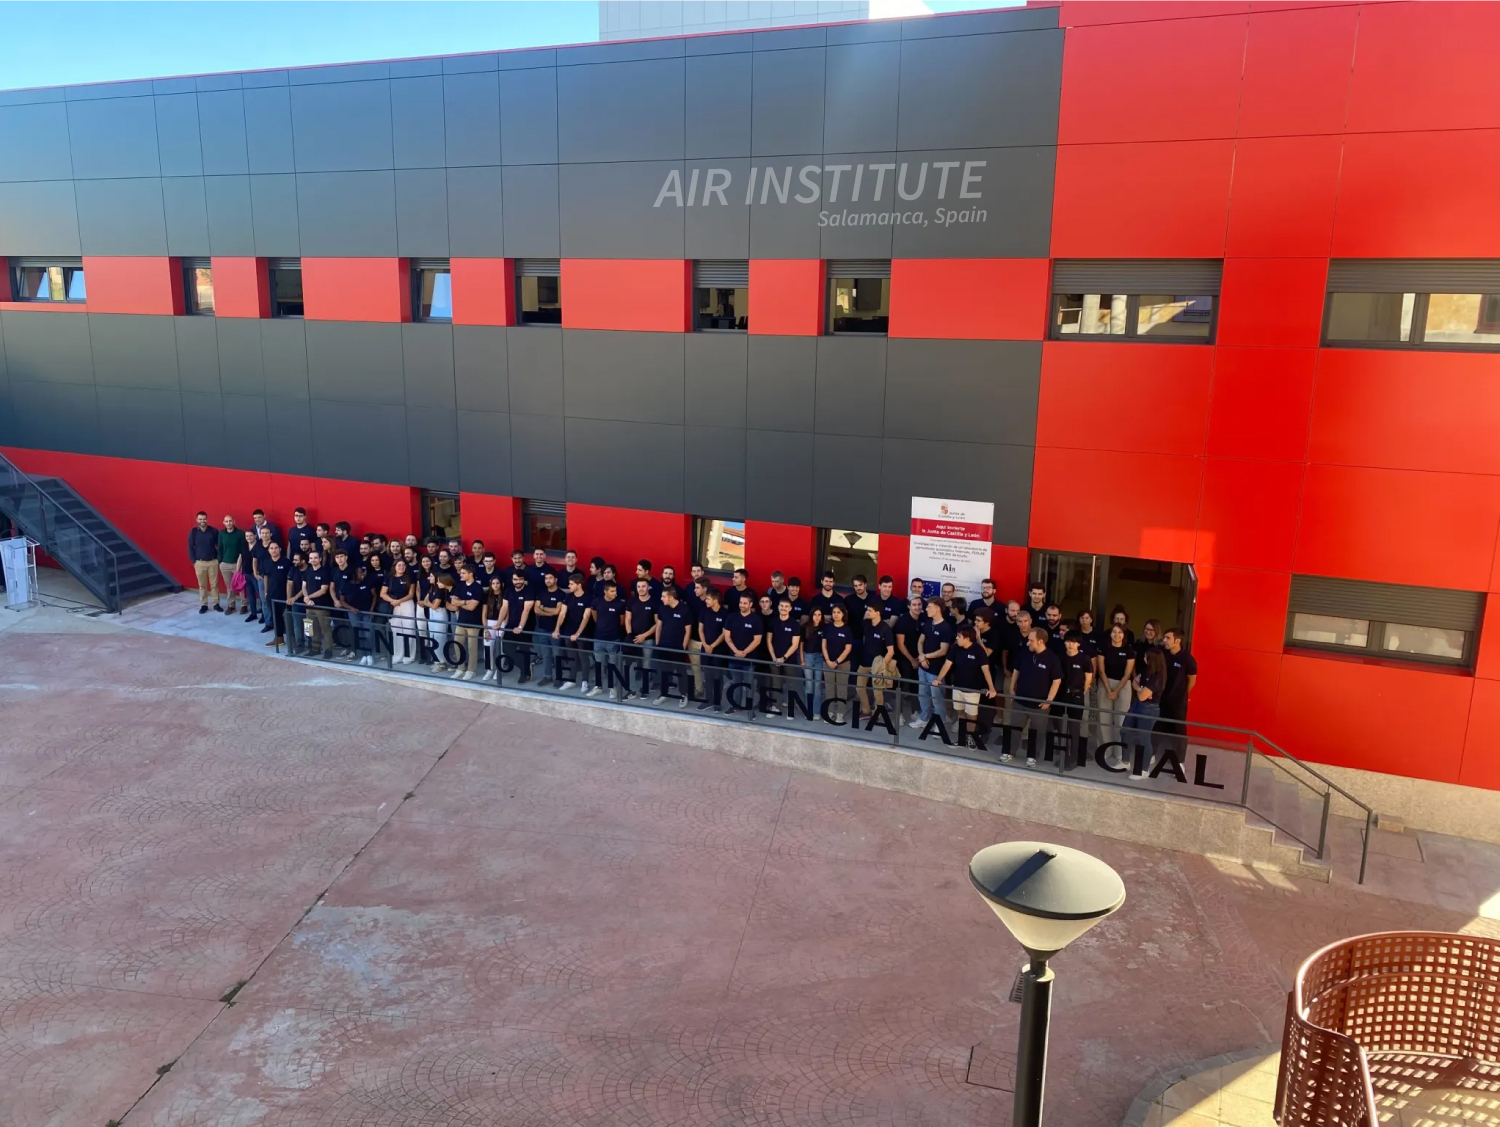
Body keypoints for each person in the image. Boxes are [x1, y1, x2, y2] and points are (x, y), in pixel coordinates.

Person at [933, 626, 999, 750]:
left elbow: (986, 669)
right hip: (957, 687)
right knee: (961, 713)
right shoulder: (955, 647)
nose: (956, 638)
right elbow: (947, 664)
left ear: (967, 638)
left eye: (959, 636)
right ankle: (962, 739)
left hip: (973, 690)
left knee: (972, 716)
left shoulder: (978, 650)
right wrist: (938, 679)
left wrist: (991, 688)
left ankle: (970, 738)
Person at [1010, 628, 1062, 767]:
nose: (1028, 643)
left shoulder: (1052, 658)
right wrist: (1011, 688)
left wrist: (1049, 701)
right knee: (1014, 728)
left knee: (1037, 732)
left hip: (1039, 705)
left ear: (1040, 641)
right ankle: (1009, 752)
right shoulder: (1024, 653)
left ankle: (1032, 756)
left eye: (1031, 640)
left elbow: (1056, 681)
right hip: (1020, 700)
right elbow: (1016, 670)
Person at [912, 597, 954, 729]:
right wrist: (921, 656)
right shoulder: (928, 623)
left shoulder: (945, 628)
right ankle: (924, 718)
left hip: (936, 670)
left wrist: (925, 656)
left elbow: (943, 650)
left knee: (937, 698)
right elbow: (920, 641)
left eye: (929, 607)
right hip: (923, 667)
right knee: (923, 694)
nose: (926, 609)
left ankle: (939, 723)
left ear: (937, 609)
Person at [1157, 628, 1197, 757]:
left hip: (1178, 703)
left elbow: (1192, 681)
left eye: (1168, 638)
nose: (1164, 640)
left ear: (1177, 641)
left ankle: (1179, 760)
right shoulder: (1163, 654)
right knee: (1157, 727)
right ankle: (1151, 754)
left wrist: (1181, 695)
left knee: (1179, 730)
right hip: (1161, 699)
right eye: (1164, 637)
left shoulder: (1188, 659)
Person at [1096, 623, 1137, 750]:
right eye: (1114, 632)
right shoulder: (1103, 647)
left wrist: (1117, 691)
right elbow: (1101, 670)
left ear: (1124, 635)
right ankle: (1105, 750)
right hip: (1105, 683)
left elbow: (1127, 673)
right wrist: (1109, 690)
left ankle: (1119, 751)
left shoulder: (1129, 650)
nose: (1117, 635)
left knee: (1121, 720)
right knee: (1104, 719)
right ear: (1110, 633)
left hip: (1123, 685)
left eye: (1120, 632)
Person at [1056, 631, 1093, 770]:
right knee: (1060, 726)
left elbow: (1088, 678)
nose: (1070, 644)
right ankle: (1063, 755)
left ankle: (1074, 758)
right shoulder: (1060, 657)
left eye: (1073, 642)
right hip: (1061, 695)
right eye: (1068, 641)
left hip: (1076, 696)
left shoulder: (1084, 659)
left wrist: (1081, 692)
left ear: (1078, 644)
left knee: (1074, 728)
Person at [1124, 647, 1166, 761]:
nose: (1143, 658)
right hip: (1136, 705)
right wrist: (1141, 689)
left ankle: (1145, 766)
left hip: (1149, 709)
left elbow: (1142, 697)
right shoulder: (1146, 669)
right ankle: (1125, 760)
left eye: (1146, 657)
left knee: (1144, 738)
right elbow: (1135, 682)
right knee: (1125, 731)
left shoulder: (1157, 677)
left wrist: (1141, 691)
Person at [555, 574, 596, 693]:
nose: (569, 586)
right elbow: (562, 614)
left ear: (579, 585)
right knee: (571, 656)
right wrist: (557, 629)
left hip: (584, 634)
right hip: (568, 632)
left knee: (583, 657)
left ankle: (585, 681)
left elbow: (586, 617)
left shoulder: (588, 598)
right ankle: (571, 680)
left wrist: (578, 633)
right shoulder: (568, 597)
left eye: (571, 584)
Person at [724, 592, 763, 715]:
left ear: (751, 604)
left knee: (749, 685)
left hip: (749, 660)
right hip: (734, 658)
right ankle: (736, 706)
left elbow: (757, 640)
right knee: (736, 684)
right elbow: (727, 637)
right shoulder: (731, 617)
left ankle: (750, 710)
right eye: (741, 602)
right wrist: (736, 651)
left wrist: (744, 652)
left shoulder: (756, 619)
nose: (742, 605)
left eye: (745, 603)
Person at [654, 586, 694, 705]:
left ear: (671, 597)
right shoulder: (662, 608)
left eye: (663, 596)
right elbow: (658, 627)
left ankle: (683, 695)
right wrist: (657, 644)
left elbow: (688, 631)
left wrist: (683, 648)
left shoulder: (684, 609)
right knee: (664, 671)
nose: (661, 599)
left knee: (681, 672)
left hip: (677, 647)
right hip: (663, 645)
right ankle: (663, 693)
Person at [855, 603, 895, 714]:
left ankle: (877, 713)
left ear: (877, 613)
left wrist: (882, 666)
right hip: (864, 663)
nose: (867, 612)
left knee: (877, 692)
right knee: (859, 688)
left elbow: (891, 651)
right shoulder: (866, 624)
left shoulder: (885, 628)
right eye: (867, 610)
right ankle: (866, 710)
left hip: (877, 665)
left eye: (870, 611)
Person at [590, 579, 626, 698]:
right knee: (598, 664)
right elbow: (594, 616)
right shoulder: (597, 601)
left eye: (615, 591)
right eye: (612, 591)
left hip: (613, 639)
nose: (614, 593)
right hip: (598, 638)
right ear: (605, 591)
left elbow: (622, 621)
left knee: (612, 665)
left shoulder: (619, 604)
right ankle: (598, 687)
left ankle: (612, 688)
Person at [766, 598, 802, 715]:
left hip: (789, 660)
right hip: (774, 659)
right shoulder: (773, 622)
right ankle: (775, 707)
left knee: (792, 685)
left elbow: (795, 644)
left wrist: (784, 658)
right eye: (781, 606)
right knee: (775, 684)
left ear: (790, 609)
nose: (783, 608)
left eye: (786, 606)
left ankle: (791, 708)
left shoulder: (795, 624)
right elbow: (769, 640)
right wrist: (774, 658)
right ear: (778, 607)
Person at [448, 565, 485, 680]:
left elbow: (472, 607)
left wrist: (461, 603)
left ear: (470, 574)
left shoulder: (477, 588)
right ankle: (460, 668)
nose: (461, 575)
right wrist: (465, 602)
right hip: (461, 621)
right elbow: (453, 602)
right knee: (457, 644)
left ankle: (471, 670)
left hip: (473, 623)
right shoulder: (460, 586)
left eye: (463, 573)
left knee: (472, 648)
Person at [339, 564, 379, 666]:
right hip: (354, 613)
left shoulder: (367, 582)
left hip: (366, 612)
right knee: (359, 634)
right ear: (354, 574)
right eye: (360, 572)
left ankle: (369, 655)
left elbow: (374, 596)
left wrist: (371, 610)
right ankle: (364, 655)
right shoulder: (346, 585)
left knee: (368, 634)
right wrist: (350, 608)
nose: (363, 574)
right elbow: (342, 600)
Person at [820, 603, 854, 723]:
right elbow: (823, 646)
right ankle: (829, 712)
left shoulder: (847, 629)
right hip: (828, 663)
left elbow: (848, 648)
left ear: (843, 614)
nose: (836, 615)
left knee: (841, 690)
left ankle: (840, 713)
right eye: (834, 612)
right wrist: (828, 661)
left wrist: (837, 661)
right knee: (829, 689)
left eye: (838, 612)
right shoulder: (827, 628)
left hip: (843, 664)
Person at [499, 571, 535, 685]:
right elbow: (504, 608)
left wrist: (520, 626)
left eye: (520, 579)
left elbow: (526, 610)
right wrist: (498, 624)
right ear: (512, 580)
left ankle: (524, 674)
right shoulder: (508, 591)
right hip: (510, 625)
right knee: (507, 649)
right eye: (515, 579)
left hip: (526, 627)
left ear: (524, 580)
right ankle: (526, 667)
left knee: (524, 650)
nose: (518, 582)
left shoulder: (529, 591)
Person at [625, 577, 659, 698]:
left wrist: (644, 635)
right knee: (630, 665)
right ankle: (631, 690)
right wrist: (630, 635)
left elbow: (657, 623)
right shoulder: (631, 602)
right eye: (639, 586)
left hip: (648, 640)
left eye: (643, 586)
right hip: (633, 638)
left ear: (648, 587)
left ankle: (645, 689)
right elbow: (627, 619)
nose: (641, 589)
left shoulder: (654, 603)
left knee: (646, 665)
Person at [696, 588, 728, 712]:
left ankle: (717, 703)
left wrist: (713, 646)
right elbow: (700, 629)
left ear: (715, 600)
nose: (706, 601)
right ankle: (708, 700)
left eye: (708, 599)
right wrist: (705, 644)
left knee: (717, 676)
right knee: (707, 675)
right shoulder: (704, 611)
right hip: (705, 649)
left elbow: (724, 633)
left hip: (719, 650)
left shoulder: (725, 613)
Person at [531, 571, 566, 686]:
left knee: (557, 655)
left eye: (550, 578)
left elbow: (557, 611)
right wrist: (549, 612)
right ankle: (548, 676)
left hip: (556, 630)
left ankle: (559, 678)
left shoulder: (561, 594)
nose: (548, 580)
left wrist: (543, 608)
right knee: (546, 655)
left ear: (556, 580)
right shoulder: (541, 592)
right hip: (542, 629)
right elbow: (536, 610)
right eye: (546, 578)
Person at [893, 596, 923, 720]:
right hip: (904, 660)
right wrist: (912, 660)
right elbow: (900, 644)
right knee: (902, 687)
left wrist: (920, 658)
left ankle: (915, 711)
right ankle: (899, 714)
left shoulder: (924, 618)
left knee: (916, 686)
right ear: (909, 606)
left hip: (919, 659)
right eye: (914, 605)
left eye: (919, 604)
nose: (917, 607)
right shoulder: (903, 621)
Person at [303, 549, 336, 659]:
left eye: (315, 558)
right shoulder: (307, 571)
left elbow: (323, 590)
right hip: (309, 606)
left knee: (325, 629)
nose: (313, 560)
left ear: (320, 559)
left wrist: (309, 597)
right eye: (311, 558)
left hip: (322, 606)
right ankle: (315, 649)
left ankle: (328, 650)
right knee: (312, 628)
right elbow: (303, 587)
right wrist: (306, 599)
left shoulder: (325, 572)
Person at [384, 559, 418, 665]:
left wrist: (399, 601)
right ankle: (398, 655)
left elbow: (411, 594)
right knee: (396, 631)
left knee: (409, 630)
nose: (401, 567)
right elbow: (382, 593)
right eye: (399, 565)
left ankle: (409, 656)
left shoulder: (409, 577)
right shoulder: (389, 577)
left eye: (403, 565)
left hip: (407, 604)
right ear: (395, 566)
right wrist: (392, 601)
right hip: (394, 605)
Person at [261, 541, 292, 649]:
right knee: (276, 617)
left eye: (276, 548)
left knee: (288, 618)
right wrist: (266, 591)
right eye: (271, 548)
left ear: (280, 549)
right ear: (268, 550)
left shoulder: (287, 563)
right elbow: (266, 577)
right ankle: (279, 638)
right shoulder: (266, 562)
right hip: (272, 595)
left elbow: (291, 581)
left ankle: (293, 639)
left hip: (285, 596)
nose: (274, 550)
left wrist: (290, 596)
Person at [186, 512, 219, 613]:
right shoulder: (193, 532)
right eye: (200, 519)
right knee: (202, 585)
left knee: (214, 585)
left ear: (207, 519)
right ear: (197, 520)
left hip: (213, 561)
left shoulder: (213, 531)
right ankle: (204, 604)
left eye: (204, 519)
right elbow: (190, 547)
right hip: (199, 563)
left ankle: (216, 604)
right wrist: (194, 561)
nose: (202, 521)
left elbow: (219, 545)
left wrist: (218, 559)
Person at [801, 606, 827, 717]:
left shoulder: (825, 628)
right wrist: (802, 660)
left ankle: (816, 711)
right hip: (808, 657)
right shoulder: (805, 627)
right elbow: (801, 645)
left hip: (819, 658)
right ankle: (809, 709)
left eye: (819, 615)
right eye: (815, 614)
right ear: (811, 616)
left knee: (817, 685)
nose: (817, 617)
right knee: (809, 684)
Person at [427, 574, 455, 672]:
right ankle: (437, 661)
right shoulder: (432, 588)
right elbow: (426, 601)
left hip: (440, 614)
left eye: (431, 576)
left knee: (440, 638)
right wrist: (430, 604)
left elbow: (434, 605)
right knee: (432, 637)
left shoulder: (440, 591)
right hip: (432, 614)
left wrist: (429, 604)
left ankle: (442, 663)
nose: (429, 578)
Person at [482, 576, 507, 681]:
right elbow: (484, 614)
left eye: (497, 583)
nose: (495, 585)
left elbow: (507, 612)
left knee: (500, 648)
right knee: (487, 647)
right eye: (493, 583)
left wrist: (504, 626)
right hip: (489, 622)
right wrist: (486, 629)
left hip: (502, 623)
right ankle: (489, 669)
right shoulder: (487, 595)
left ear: (501, 584)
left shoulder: (505, 594)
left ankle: (499, 670)